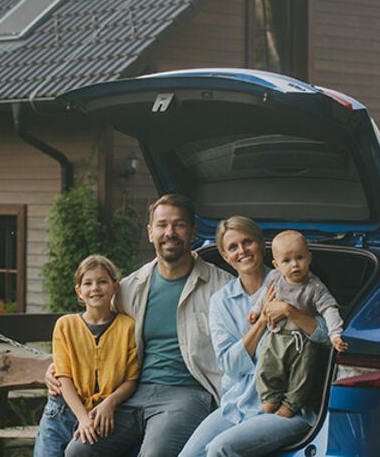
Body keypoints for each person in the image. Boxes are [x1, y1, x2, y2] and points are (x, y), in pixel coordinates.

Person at [53, 194, 233, 457]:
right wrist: (55, 367)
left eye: (179, 225)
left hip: (188, 394)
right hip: (131, 394)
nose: (169, 233)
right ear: (150, 233)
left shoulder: (221, 287)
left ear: (193, 232)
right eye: (162, 225)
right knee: (78, 451)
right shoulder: (130, 287)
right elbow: (96, 329)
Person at [178, 218, 326, 457]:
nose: (242, 251)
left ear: (261, 244)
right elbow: (230, 365)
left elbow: (325, 336)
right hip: (238, 404)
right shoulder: (221, 301)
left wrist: (289, 311)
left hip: (288, 409)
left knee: (220, 449)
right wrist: (260, 321)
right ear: (226, 257)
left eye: (248, 242)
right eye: (233, 247)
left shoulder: (296, 282)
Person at [33, 255, 142, 457]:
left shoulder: (128, 327)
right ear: (79, 291)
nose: (95, 288)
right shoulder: (65, 326)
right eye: (88, 283)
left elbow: (131, 379)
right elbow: (63, 376)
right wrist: (83, 419)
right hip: (61, 415)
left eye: (102, 282)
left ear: (115, 287)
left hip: (105, 416)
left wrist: (109, 403)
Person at [252, 230, 348, 416]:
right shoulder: (274, 277)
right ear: (276, 265)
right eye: (287, 261)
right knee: (267, 365)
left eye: (300, 258)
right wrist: (256, 310)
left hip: (302, 341)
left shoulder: (315, 287)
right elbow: (265, 294)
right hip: (277, 335)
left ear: (309, 258)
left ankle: (291, 405)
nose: (295, 264)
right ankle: (270, 398)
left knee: (302, 374)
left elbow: (330, 310)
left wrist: (335, 335)